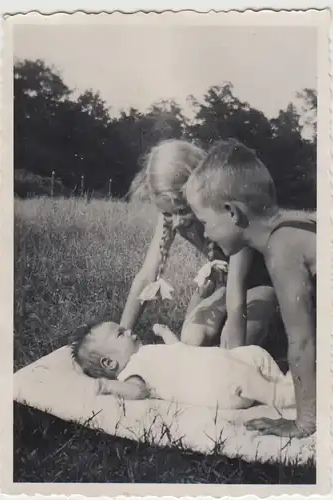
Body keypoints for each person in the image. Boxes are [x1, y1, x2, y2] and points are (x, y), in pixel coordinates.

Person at [185, 138, 316, 438]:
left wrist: (304, 422)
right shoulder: (294, 226)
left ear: (232, 213)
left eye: (204, 221)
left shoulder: (281, 248)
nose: (203, 232)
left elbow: (303, 341)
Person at [120, 139, 281, 355]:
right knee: (191, 339)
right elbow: (147, 275)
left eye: (182, 210)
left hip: (265, 284)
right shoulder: (172, 215)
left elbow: (237, 286)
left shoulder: (227, 214)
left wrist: (233, 357)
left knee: (236, 342)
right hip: (225, 287)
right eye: (168, 214)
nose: (176, 222)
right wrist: (121, 335)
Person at [70, 320, 295, 410]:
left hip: (221, 362)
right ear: (110, 363)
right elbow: (137, 391)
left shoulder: (145, 354)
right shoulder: (131, 372)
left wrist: (166, 334)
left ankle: (280, 380)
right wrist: (107, 386)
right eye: (121, 334)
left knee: (254, 353)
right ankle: (282, 397)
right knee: (243, 377)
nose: (129, 330)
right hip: (217, 384)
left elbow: (178, 351)